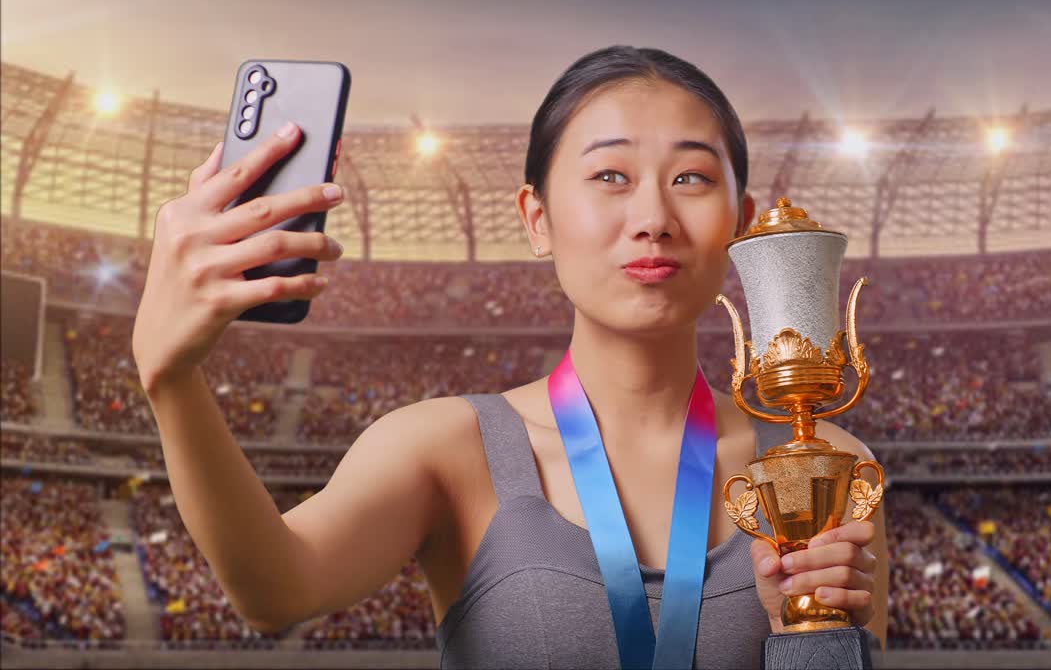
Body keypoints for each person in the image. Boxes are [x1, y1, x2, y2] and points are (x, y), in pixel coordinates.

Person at [132, 45, 888, 669]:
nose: (653, 217)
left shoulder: (827, 468)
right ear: (538, 218)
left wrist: (808, 637)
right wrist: (172, 380)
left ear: (741, 222)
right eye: (610, 177)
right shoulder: (445, 449)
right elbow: (275, 589)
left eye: (690, 177)